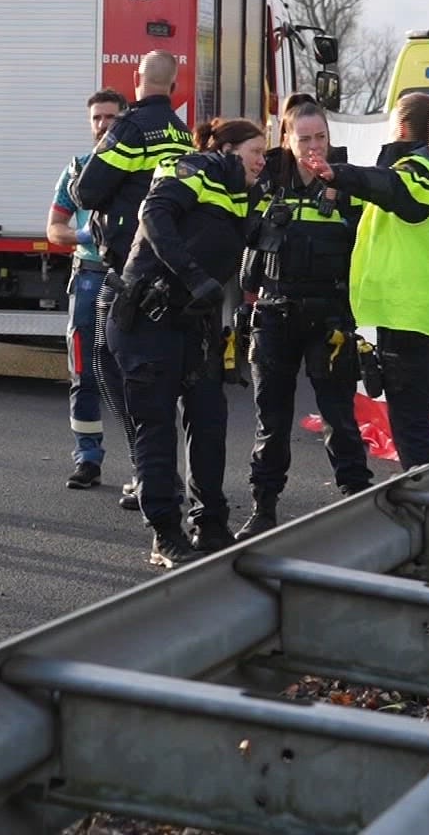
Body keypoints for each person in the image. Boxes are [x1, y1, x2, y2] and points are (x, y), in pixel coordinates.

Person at [107, 118, 266, 567]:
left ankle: (211, 524)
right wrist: (195, 277)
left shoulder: (243, 191)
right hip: (147, 318)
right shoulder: (189, 168)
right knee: (156, 427)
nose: (262, 159)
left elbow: (243, 240)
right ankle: (164, 533)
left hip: (193, 323)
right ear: (230, 149)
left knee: (209, 419)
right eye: (256, 150)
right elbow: (154, 216)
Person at [304, 92, 429, 472]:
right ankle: (426, 502)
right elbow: (381, 201)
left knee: (411, 426)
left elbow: (394, 190)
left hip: (409, 316)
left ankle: (425, 506)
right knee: (414, 419)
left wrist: (340, 173)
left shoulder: (420, 172)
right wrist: (343, 191)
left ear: (401, 125)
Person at [238, 98, 373, 537]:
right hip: (274, 313)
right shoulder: (264, 181)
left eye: (321, 138)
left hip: (329, 316)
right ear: (286, 140)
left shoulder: (349, 183)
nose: (315, 147)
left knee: (340, 417)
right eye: (305, 139)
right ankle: (263, 508)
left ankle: (357, 502)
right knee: (271, 421)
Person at [70, 51, 194, 511]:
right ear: (175, 84)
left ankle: (151, 473)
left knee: (109, 364)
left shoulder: (130, 128)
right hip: (169, 268)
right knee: (151, 376)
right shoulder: (182, 133)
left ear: (136, 79)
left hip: (127, 270)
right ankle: (156, 472)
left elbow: (86, 190)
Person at [48, 89, 126, 490]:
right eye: (97, 118)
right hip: (90, 274)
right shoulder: (77, 168)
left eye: (111, 117)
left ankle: (141, 464)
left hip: (130, 278)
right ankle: (88, 458)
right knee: (84, 370)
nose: (103, 125)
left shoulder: (138, 169)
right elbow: (54, 228)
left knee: (134, 372)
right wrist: (84, 233)